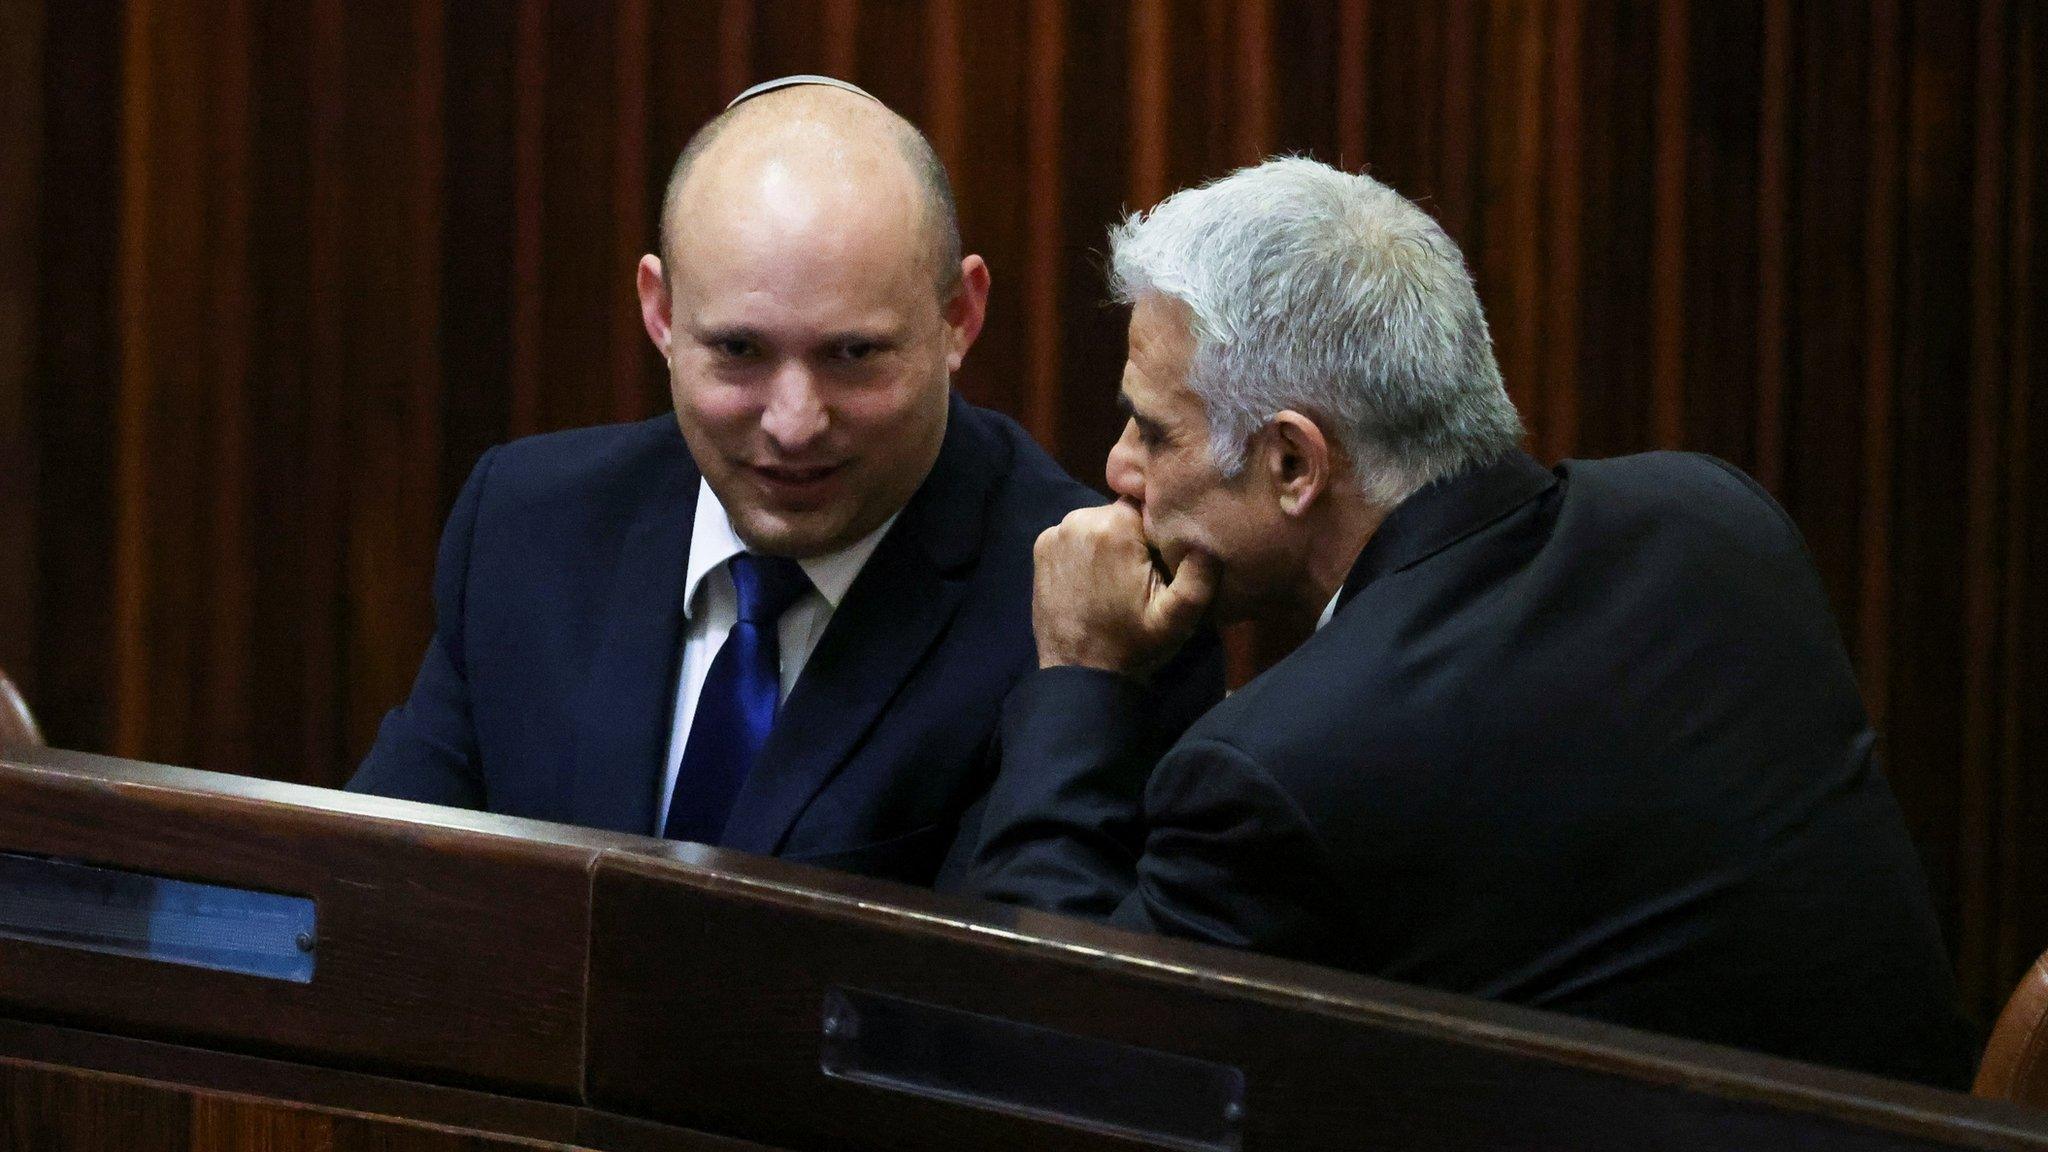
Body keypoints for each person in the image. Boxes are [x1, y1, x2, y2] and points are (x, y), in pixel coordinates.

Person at [968, 156, 1978, 1086]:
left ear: (1290, 464)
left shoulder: (1280, 768)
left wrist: (1080, 680)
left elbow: (1056, 1064)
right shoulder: (1715, 521)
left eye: (1152, 429)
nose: (1116, 470)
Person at [348, 77, 1219, 887]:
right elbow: (373, 894)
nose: (794, 421)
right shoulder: (530, 522)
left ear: (958, 316)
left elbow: (1034, 1008)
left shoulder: (1098, 618)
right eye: (739, 352)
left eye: (852, 355)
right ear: (661, 312)